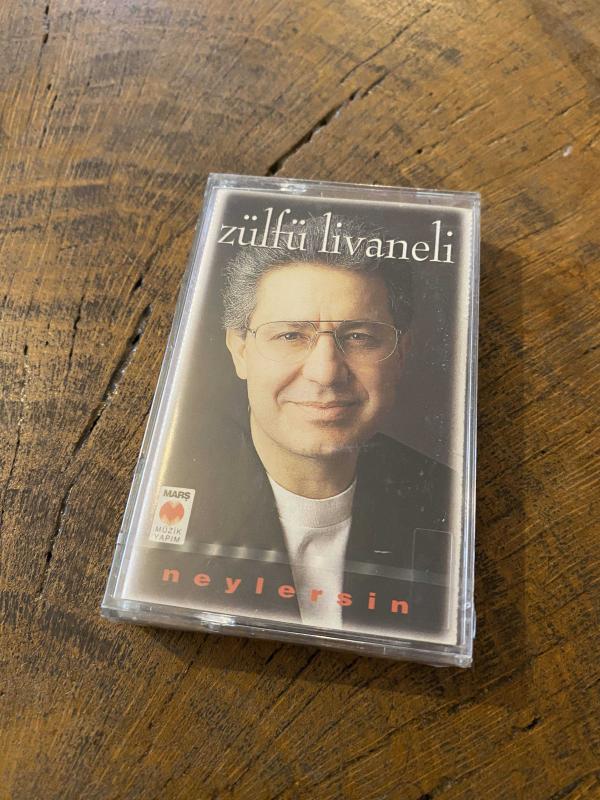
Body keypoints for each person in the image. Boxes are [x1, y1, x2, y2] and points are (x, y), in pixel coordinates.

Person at [149, 215, 454, 637]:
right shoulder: (163, 496)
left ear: (401, 354)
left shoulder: (448, 501)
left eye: (360, 337)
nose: (325, 373)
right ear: (239, 351)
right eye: (291, 335)